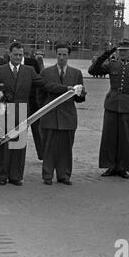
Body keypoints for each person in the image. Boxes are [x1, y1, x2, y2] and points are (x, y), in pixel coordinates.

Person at [0, 42, 71, 186]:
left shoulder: (29, 71)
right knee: (4, 146)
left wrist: (66, 89)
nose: (18, 57)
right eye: (15, 54)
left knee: (19, 145)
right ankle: (3, 176)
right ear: (9, 54)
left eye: (20, 55)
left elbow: (46, 84)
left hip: (23, 112)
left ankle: (16, 176)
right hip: (4, 112)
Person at [88, 40, 129, 179]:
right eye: (120, 50)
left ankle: (122, 167)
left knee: (125, 138)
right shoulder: (112, 64)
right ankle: (110, 166)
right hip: (112, 105)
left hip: (128, 106)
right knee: (109, 137)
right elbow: (92, 70)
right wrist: (107, 53)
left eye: (125, 50)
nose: (122, 53)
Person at [38, 43, 86, 186]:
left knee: (66, 148)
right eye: (59, 54)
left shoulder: (76, 73)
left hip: (68, 117)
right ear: (55, 54)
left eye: (64, 54)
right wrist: (44, 109)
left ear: (68, 56)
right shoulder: (46, 73)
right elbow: (39, 95)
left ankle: (64, 175)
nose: (61, 57)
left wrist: (81, 94)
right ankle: (47, 175)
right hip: (50, 117)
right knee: (48, 147)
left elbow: (79, 99)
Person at [22, 51, 43, 160]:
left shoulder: (32, 63)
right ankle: (18, 156)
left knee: (37, 131)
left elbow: (40, 79)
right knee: (19, 133)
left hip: (33, 102)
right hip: (19, 105)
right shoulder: (7, 65)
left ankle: (42, 154)